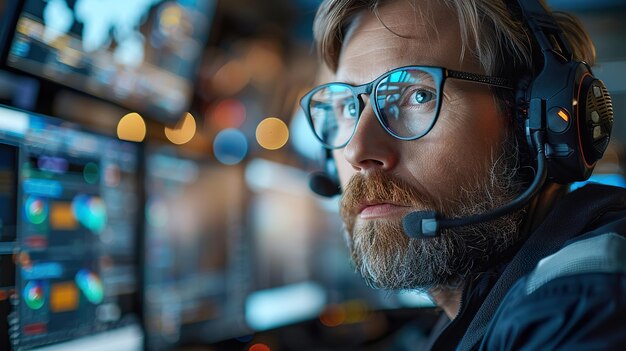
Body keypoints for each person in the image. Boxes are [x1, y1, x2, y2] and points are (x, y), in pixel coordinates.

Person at [301, 0, 626, 349]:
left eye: (418, 95)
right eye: (350, 107)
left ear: (533, 121)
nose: (357, 151)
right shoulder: (476, 312)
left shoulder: (580, 304)